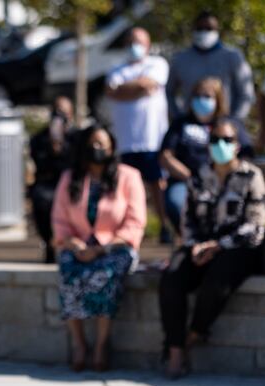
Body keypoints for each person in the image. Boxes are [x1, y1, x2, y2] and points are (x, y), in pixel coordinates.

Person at [159, 118, 265, 379]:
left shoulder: (251, 175)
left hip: (237, 248)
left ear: (237, 145)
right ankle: (174, 348)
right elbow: (188, 220)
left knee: (218, 279)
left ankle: (191, 337)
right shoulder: (198, 177)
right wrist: (195, 246)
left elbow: (255, 225)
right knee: (172, 277)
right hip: (200, 246)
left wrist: (218, 246)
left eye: (227, 140)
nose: (221, 145)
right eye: (215, 140)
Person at [52, 125, 146, 372]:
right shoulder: (70, 177)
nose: (98, 149)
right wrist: (73, 243)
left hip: (115, 248)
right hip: (79, 246)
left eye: (103, 144)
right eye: (93, 144)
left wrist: (101, 249)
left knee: (105, 275)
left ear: (112, 147)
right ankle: (80, 344)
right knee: (68, 271)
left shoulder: (129, 176)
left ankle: (102, 345)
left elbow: (135, 223)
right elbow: (59, 221)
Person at [160, 77, 254, 234]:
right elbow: (166, 156)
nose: (201, 100)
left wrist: (228, 176)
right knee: (178, 204)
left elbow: (246, 154)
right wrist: (191, 177)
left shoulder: (229, 125)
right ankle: (189, 242)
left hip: (224, 181)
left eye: (207, 96)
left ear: (218, 99)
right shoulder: (181, 124)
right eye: (197, 96)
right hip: (187, 181)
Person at [106, 27, 171, 243]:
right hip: (126, 142)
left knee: (157, 185)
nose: (136, 46)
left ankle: (164, 227)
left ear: (148, 44)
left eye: (140, 41)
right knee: (127, 189)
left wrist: (125, 90)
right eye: (132, 41)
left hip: (152, 139)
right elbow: (112, 91)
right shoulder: (117, 69)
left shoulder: (158, 64)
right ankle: (128, 230)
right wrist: (138, 87)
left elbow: (148, 84)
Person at [166, 11, 254, 121]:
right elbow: (169, 91)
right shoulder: (180, 59)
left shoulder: (233, 57)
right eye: (200, 28)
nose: (204, 32)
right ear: (193, 30)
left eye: (209, 28)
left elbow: (246, 94)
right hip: (190, 126)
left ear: (217, 31)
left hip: (224, 125)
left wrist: (235, 122)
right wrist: (178, 118)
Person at [30, 96, 77, 263]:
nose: (59, 115)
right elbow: (40, 162)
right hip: (48, 183)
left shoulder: (77, 137)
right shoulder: (40, 138)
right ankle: (50, 244)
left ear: (71, 114)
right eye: (56, 111)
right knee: (41, 199)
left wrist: (61, 146)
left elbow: (75, 164)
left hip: (72, 183)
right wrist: (51, 144)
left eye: (63, 112)